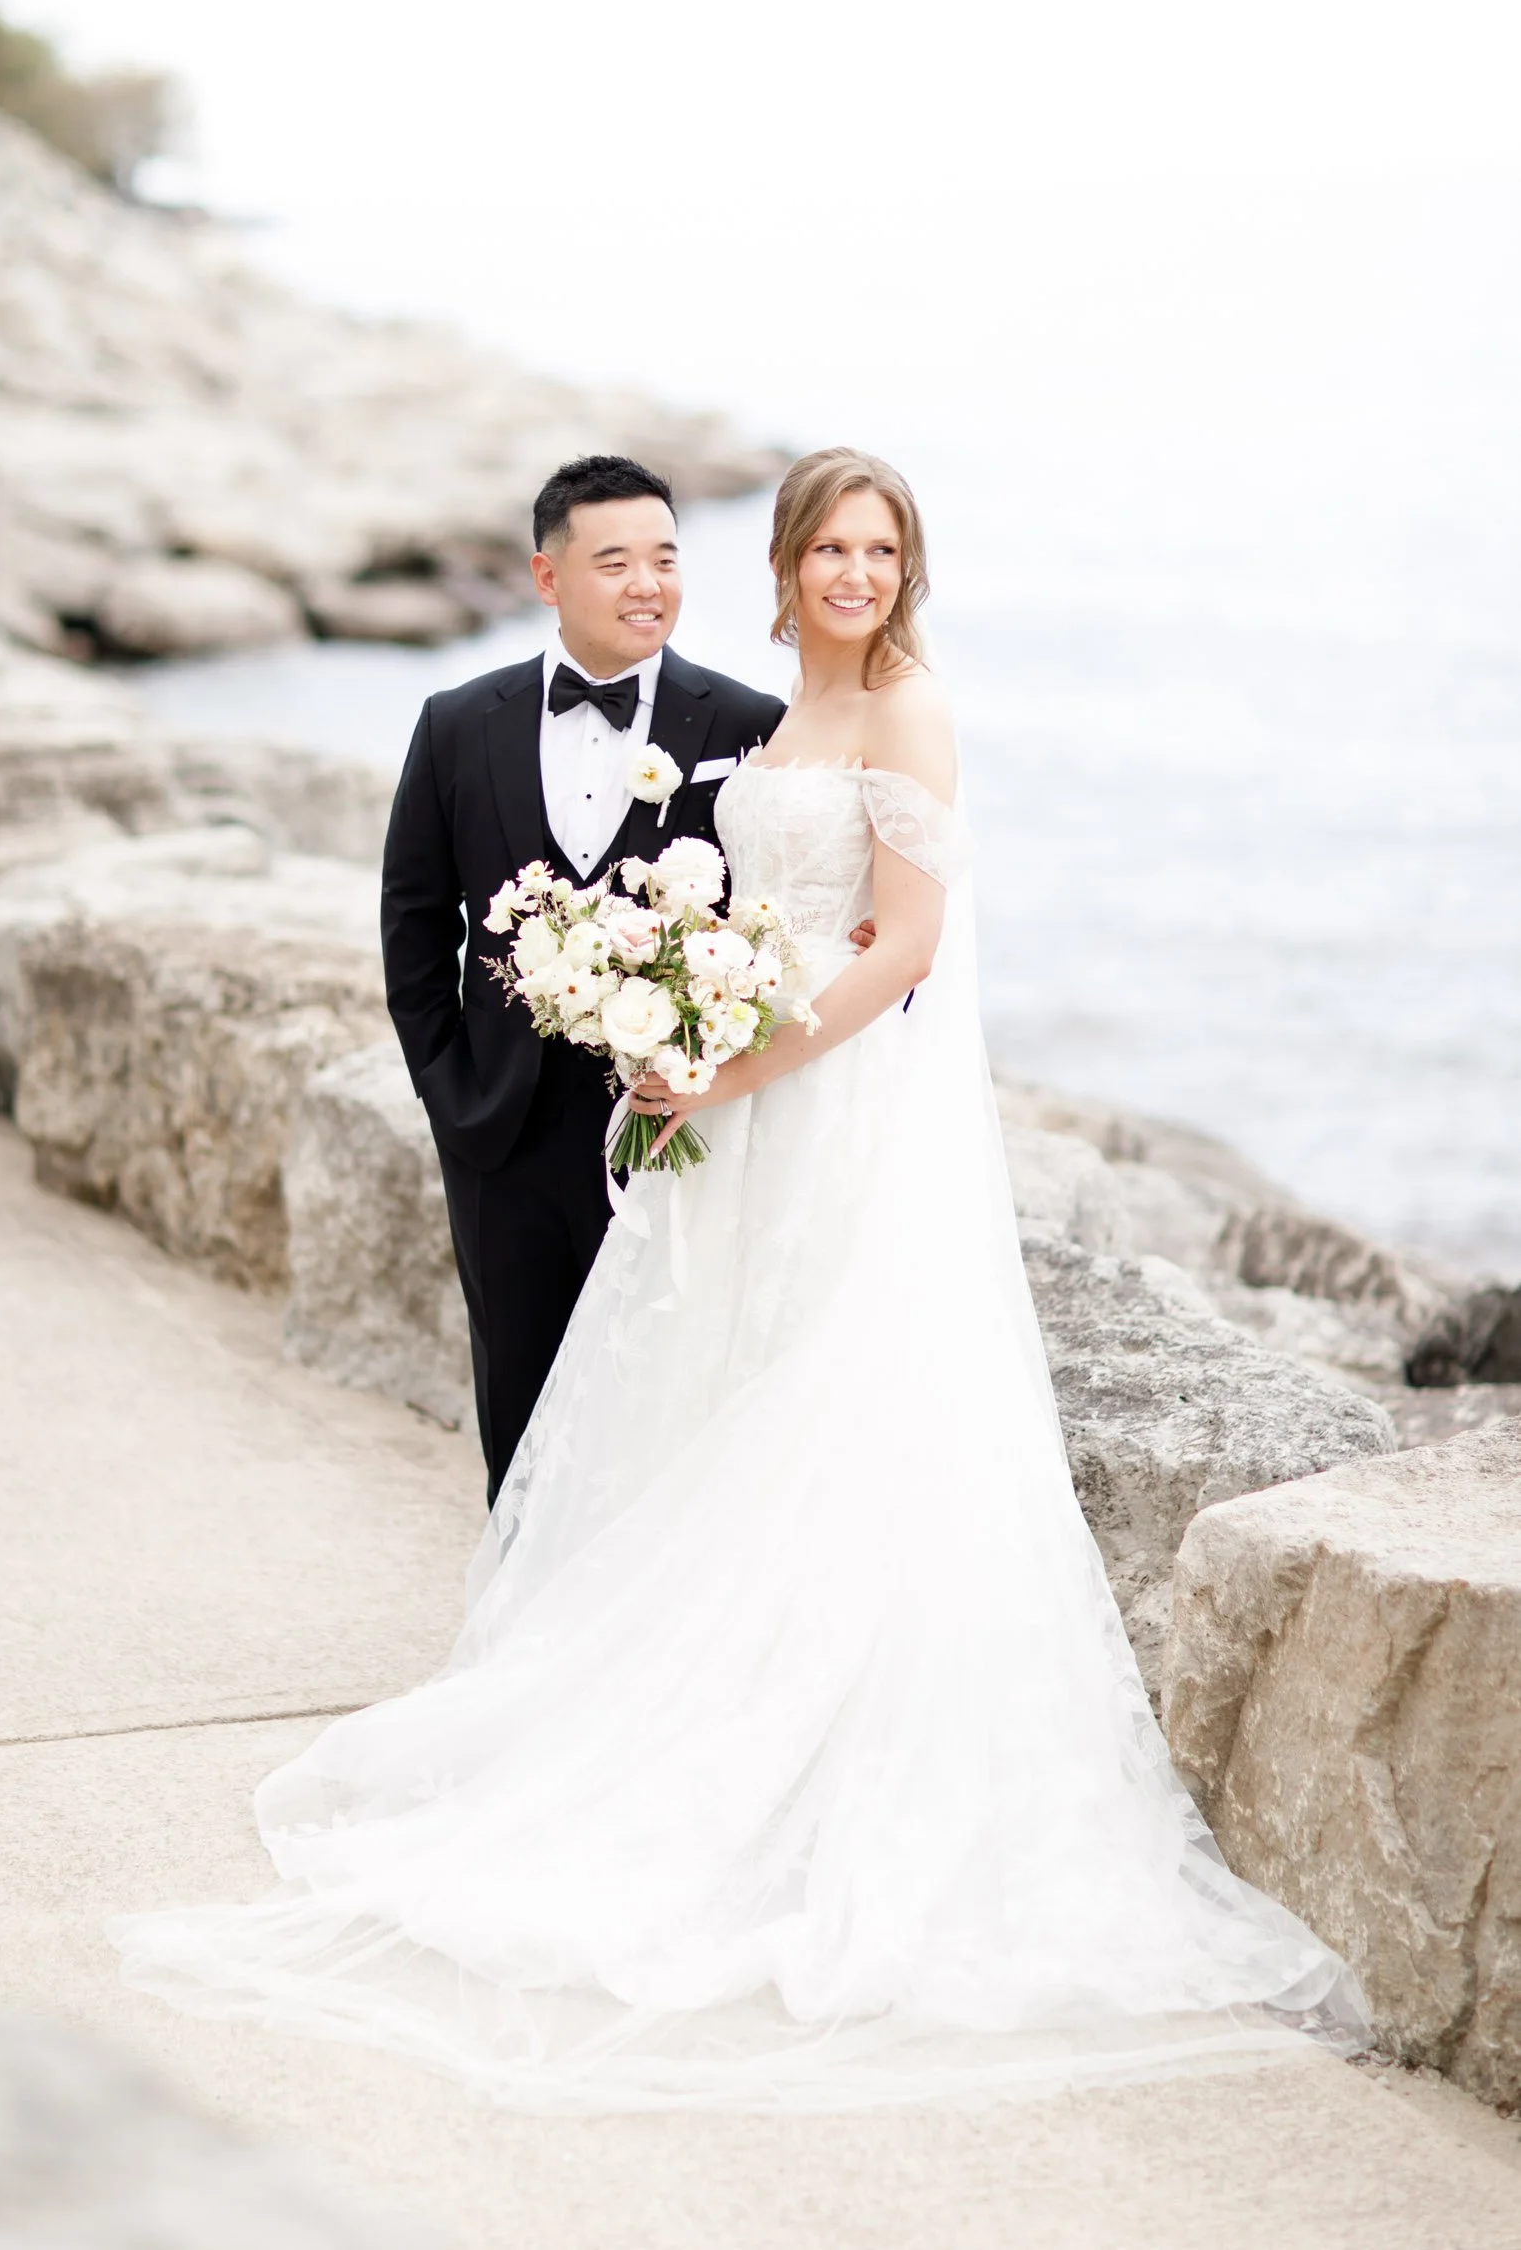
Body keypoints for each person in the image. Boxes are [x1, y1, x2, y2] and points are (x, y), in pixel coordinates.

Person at [110, 448, 1367, 2111]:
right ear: (783, 562)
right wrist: (684, 1040)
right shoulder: (773, 716)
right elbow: (653, 918)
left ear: (903, 566)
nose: (854, 572)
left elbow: (905, 945)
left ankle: (826, 1782)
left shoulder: (907, 709)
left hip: (830, 1118)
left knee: (839, 1409)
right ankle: (687, 1740)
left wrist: (735, 1061)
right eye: (829, 546)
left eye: (881, 547)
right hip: (742, 1117)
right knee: (717, 1414)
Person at [378, 454, 786, 1502]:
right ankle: (518, 1639)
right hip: (498, 1132)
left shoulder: (744, 725)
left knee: (660, 1401)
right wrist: (449, 1092)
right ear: (547, 577)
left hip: (668, 1133)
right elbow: (415, 924)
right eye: (614, 562)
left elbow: (772, 923)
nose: (647, 583)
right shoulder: (457, 723)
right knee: (516, 1406)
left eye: (664, 557)